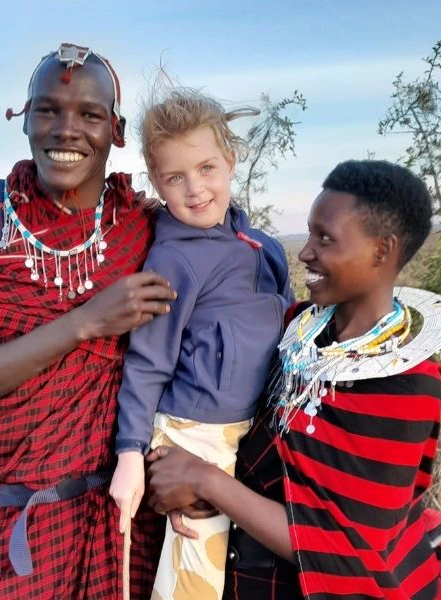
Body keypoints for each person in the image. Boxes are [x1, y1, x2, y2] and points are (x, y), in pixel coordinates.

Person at [147, 160, 441, 599]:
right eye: (309, 235)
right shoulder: (298, 329)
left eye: (324, 238)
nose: (305, 253)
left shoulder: (405, 387)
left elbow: (346, 550)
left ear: (382, 250)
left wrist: (208, 483)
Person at [0, 43, 174, 599]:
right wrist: (83, 323)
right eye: (48, 110)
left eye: (89, 115)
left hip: (120, 523)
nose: (66, 130)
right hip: (7, 533)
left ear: (116, 131)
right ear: (25, 118)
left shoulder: (141, 224)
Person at [107, 87, 293, 600]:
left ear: (230, 160)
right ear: (157, 182)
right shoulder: (173, 260)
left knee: (255, 569)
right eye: (175, 178)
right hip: (195, 435)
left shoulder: (264, 248)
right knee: (196, 583)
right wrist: (130, 454)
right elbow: (148, 362)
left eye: (207, 167)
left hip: (257, 429)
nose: (195, 189)